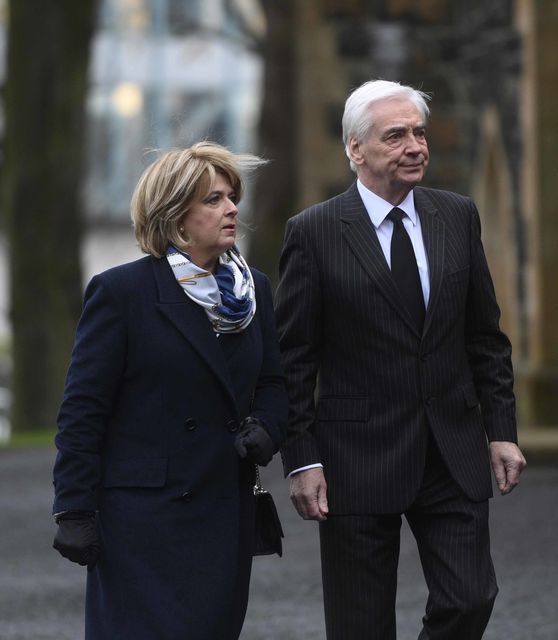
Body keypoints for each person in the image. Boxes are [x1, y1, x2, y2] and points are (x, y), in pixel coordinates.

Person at [275, 79, 526, 640]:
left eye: (419, 133)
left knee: (471, 599)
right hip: (354, 460)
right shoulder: (313, 233)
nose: (415, 146)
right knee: (359, 626)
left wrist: (501, 430)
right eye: (396, 136)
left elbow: (484, 336)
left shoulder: (457, 216)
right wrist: (302, 459)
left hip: (451, 449)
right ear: (355, 149)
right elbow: (292, 359)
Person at [52, 141, 288, 640]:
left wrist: (268, 426)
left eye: (232, 196)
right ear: (176, 217)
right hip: (141, 518)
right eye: (214, 199)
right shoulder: (122, 292)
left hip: (222, 505)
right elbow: (83, 410)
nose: (231, 209)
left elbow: (273, 381)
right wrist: (73, 509)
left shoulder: (255, 291)